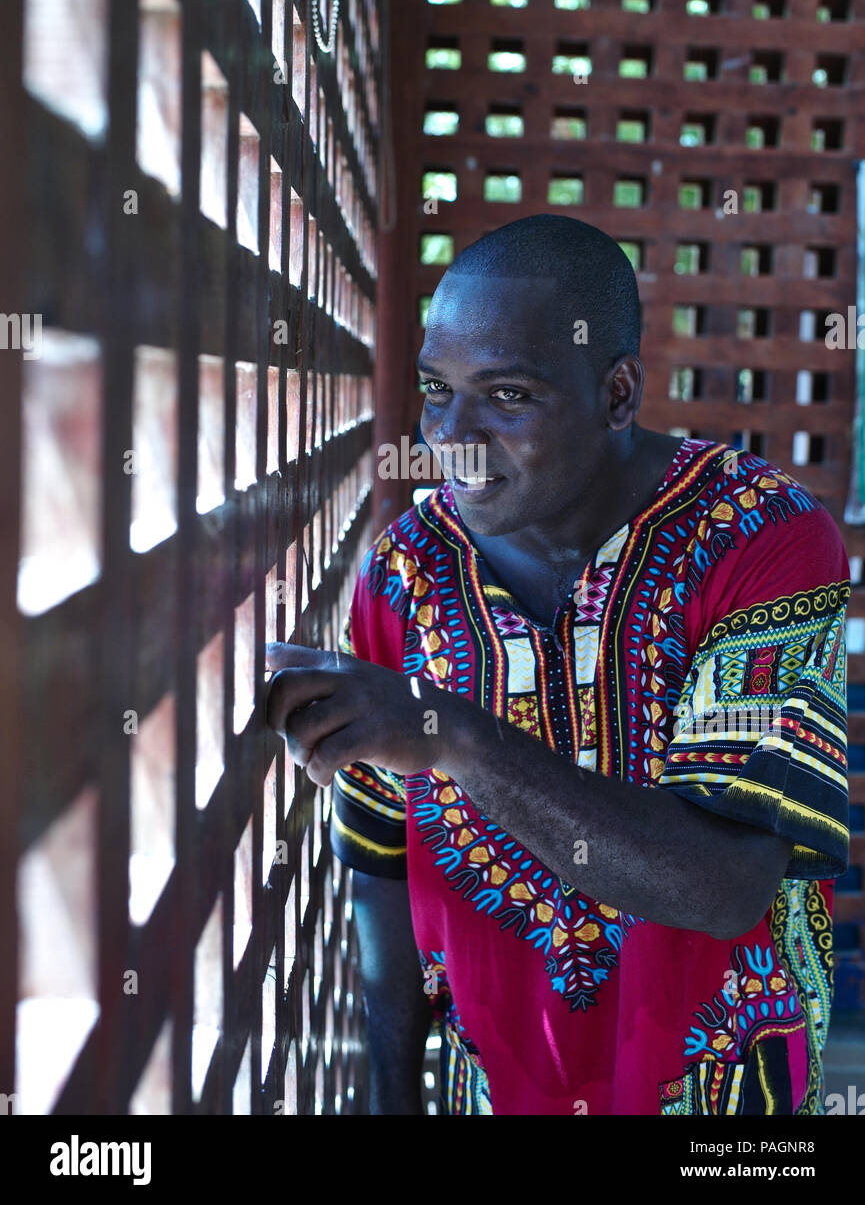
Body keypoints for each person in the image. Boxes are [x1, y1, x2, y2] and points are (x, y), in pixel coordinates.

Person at [266, 214, 850, 1116]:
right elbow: (377, 864)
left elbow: (726, 885)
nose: (451, 438)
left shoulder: (762, 539)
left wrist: (453, 733)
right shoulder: (405, 574)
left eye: (506, 396)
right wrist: (390, 1097)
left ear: (617, 394)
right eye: (436, 391)